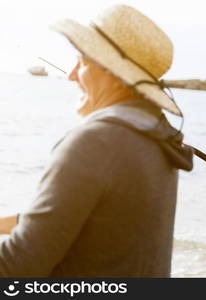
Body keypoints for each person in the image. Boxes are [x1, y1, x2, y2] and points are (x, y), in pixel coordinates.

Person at [0, 5, 193, 277]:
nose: (70, 74)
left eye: (81, 61)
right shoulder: (157, 138)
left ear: (114, 73)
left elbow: (17, 266)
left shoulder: (95, 143)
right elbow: (78, 222)